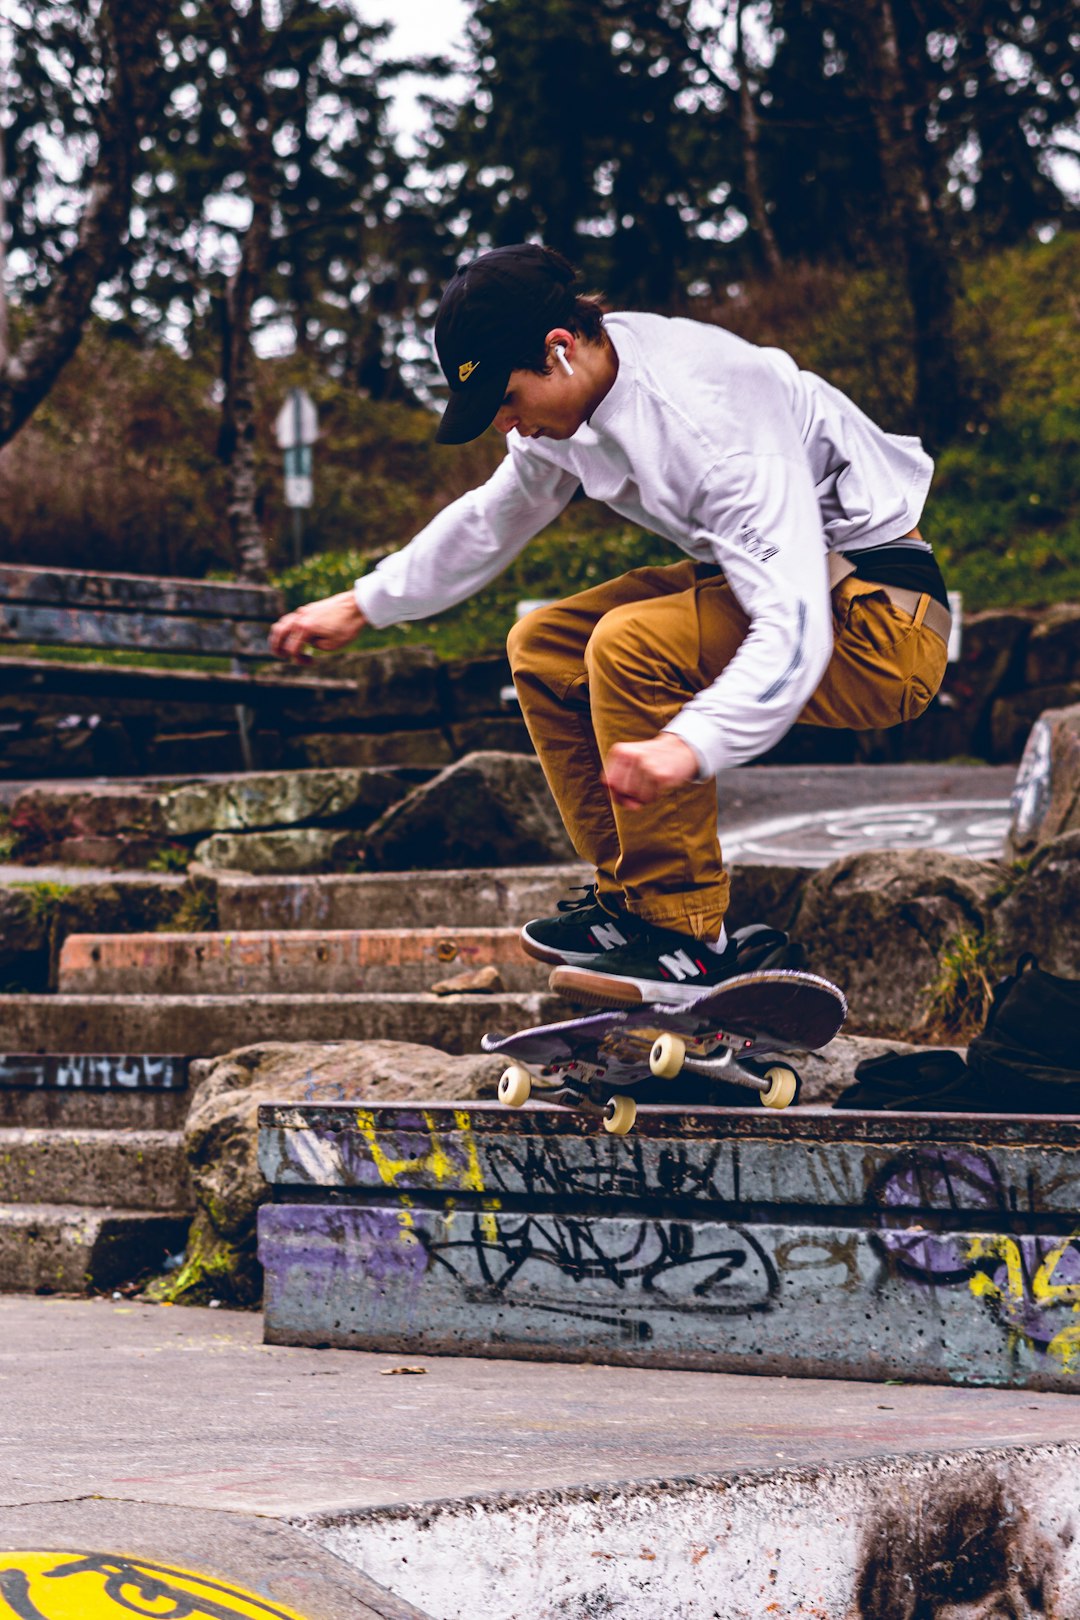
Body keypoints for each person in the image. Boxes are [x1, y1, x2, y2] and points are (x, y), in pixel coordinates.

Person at [269, 243, 951, 1008]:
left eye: (508, 399)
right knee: (545, 646)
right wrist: (364, 603)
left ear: (558, 349)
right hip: (797, 584)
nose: (509, 425)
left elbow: (793, 629)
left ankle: (686, 935)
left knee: (627, 646)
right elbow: (494, 517)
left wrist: (689, 743)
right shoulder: (577, 397)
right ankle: (632, 906)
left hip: (880, 631)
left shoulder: (708, 415)